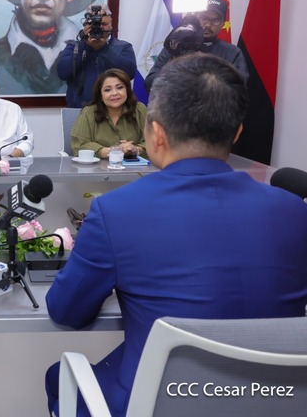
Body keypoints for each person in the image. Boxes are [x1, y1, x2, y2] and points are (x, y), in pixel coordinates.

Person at [44, 53, 307, 417]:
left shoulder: (115, 211)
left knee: (58, 377)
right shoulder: (296, 211)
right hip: (276, 401)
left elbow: (67, 311)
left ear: (156, 133)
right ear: (237, 133)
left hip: (159, 402)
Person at [144, 0, 248, 93]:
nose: (208, 24)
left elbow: (239, 90)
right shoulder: (176, 44)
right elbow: (149, 84)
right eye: (204, 18)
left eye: (215, 20)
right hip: (176, 105)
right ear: (197, 17)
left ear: (223, 23)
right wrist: (172, 67)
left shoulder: (232, 53)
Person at [56, 5, 136, 108]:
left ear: (111, 23)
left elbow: (130, 73)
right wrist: (84, 46)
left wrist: (104, 49)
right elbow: (63, 73)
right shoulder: (74, 47)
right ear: (85, 25)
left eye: (104, 24)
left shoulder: (123, 47)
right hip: (80, 110)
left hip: (114, 110)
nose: (99, 28)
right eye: (93, 24)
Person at [70, 69, 146, 159]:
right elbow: (79, 145)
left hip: (135, 166)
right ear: (100, 95)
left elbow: (154, 142)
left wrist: (135, 150)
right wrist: (112, 151)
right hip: (99, 166)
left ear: (127, 90)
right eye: (107, 90)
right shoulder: (89, 112)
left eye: (119, 88)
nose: (114, 93)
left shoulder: (139, 109)